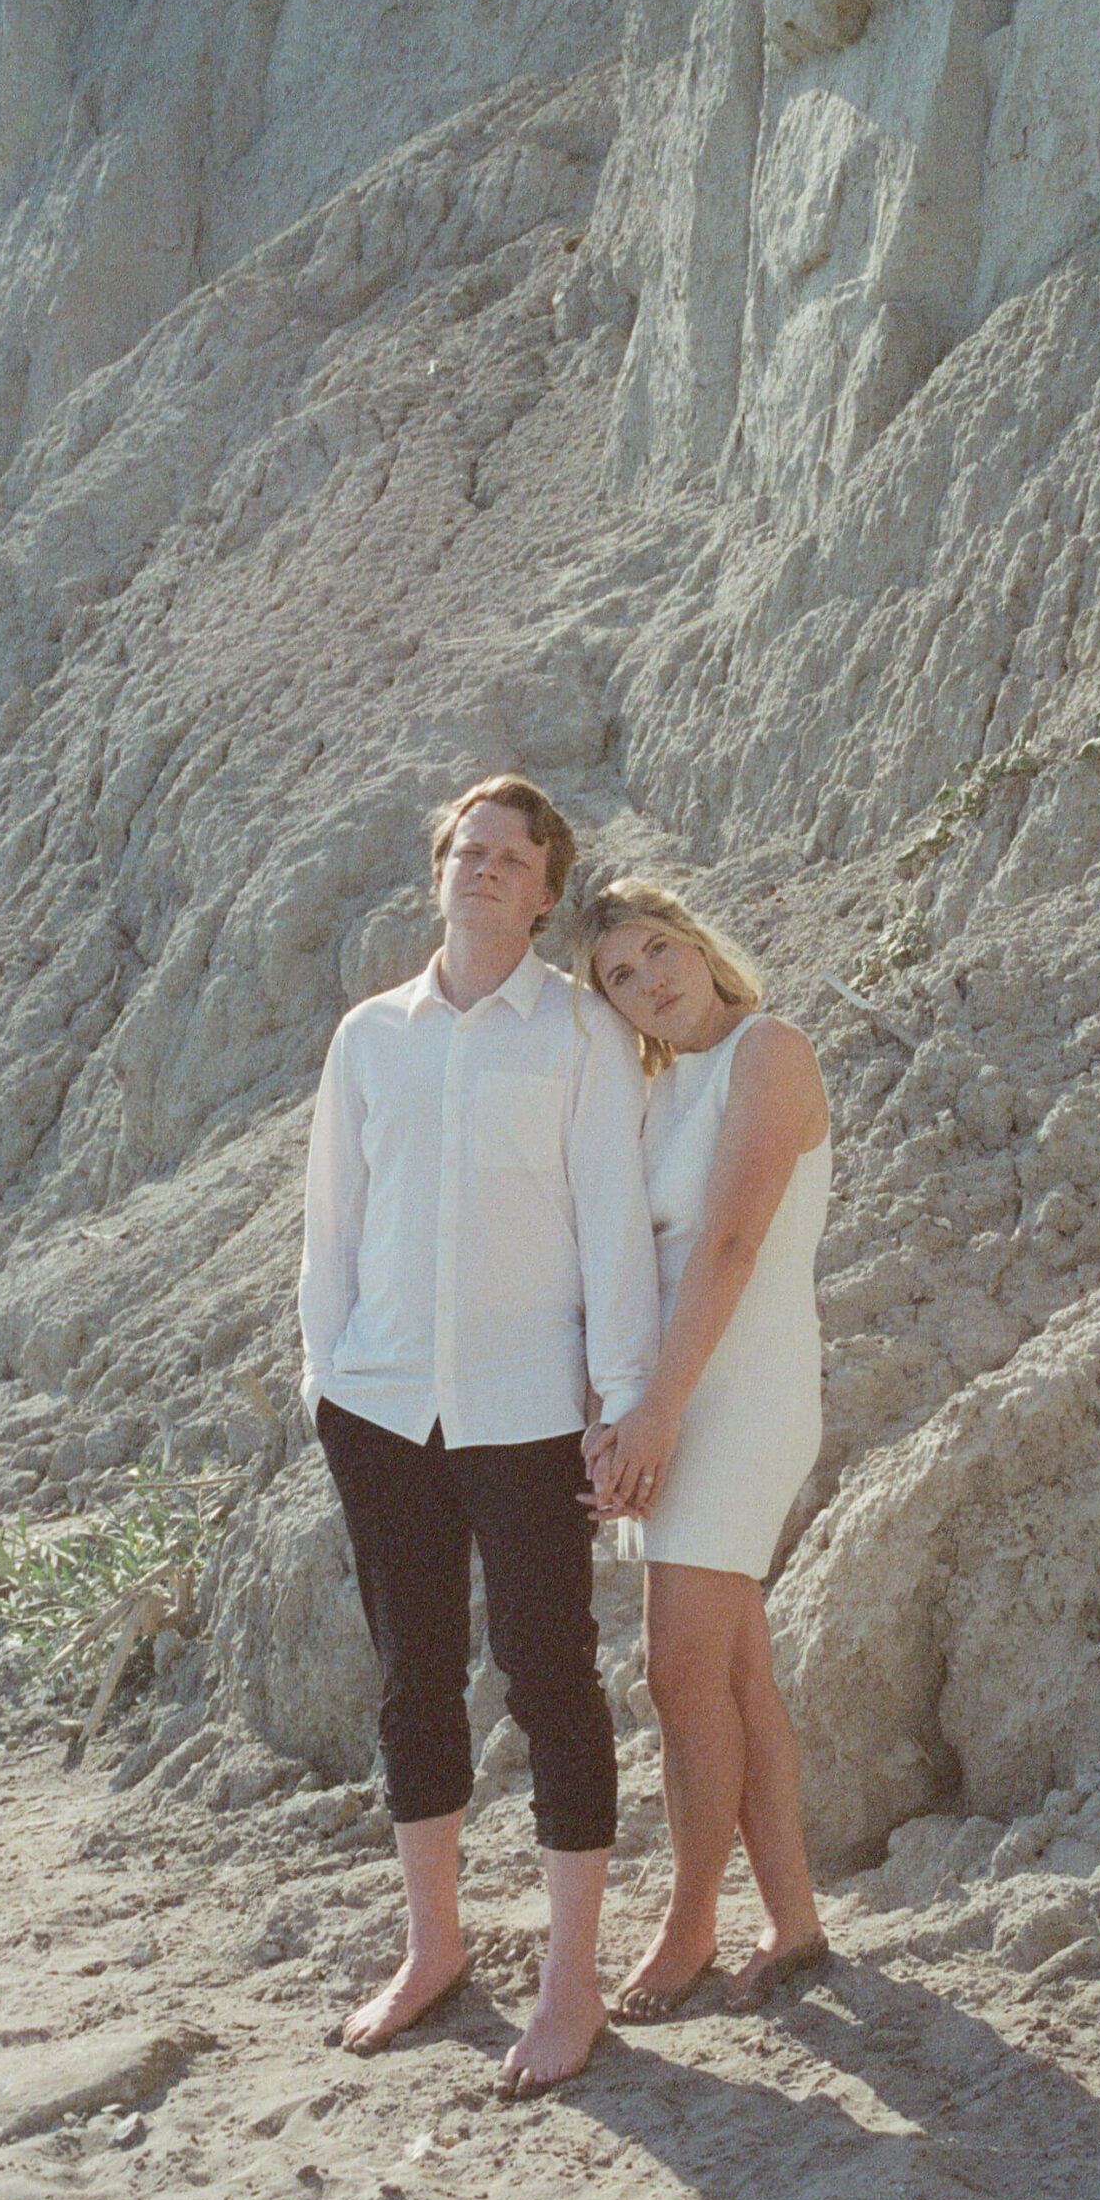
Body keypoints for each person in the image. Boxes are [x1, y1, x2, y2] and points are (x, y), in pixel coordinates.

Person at [299, 778, 658, 2095]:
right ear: (437, 869)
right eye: (467, 848)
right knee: (412, 1678)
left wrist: (618, 1401)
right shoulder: (369, 1038)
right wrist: (326, 1379)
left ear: (548, 891)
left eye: (513, 857)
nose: (485, 868)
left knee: (550, 1672)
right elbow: (330, 1224)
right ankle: (434, 1946)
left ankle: (570, 1985)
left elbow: (615, 1222)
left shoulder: (578, 1034)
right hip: (382, 1409)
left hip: (525, 1412)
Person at [573, 879, 831, 2018]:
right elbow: (628, 1266)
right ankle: (796, 1921)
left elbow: (727, 1245)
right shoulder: (654, 1088)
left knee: (678, 1668)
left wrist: (656, 1416)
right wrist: (613, 1404)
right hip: (671, 1395)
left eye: (658, 951)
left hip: (744, 1391)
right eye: (618, 976)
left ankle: (689, 1923)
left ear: (700, 943)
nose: (648, 982)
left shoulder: (764, 1050)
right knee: (728, 1670)